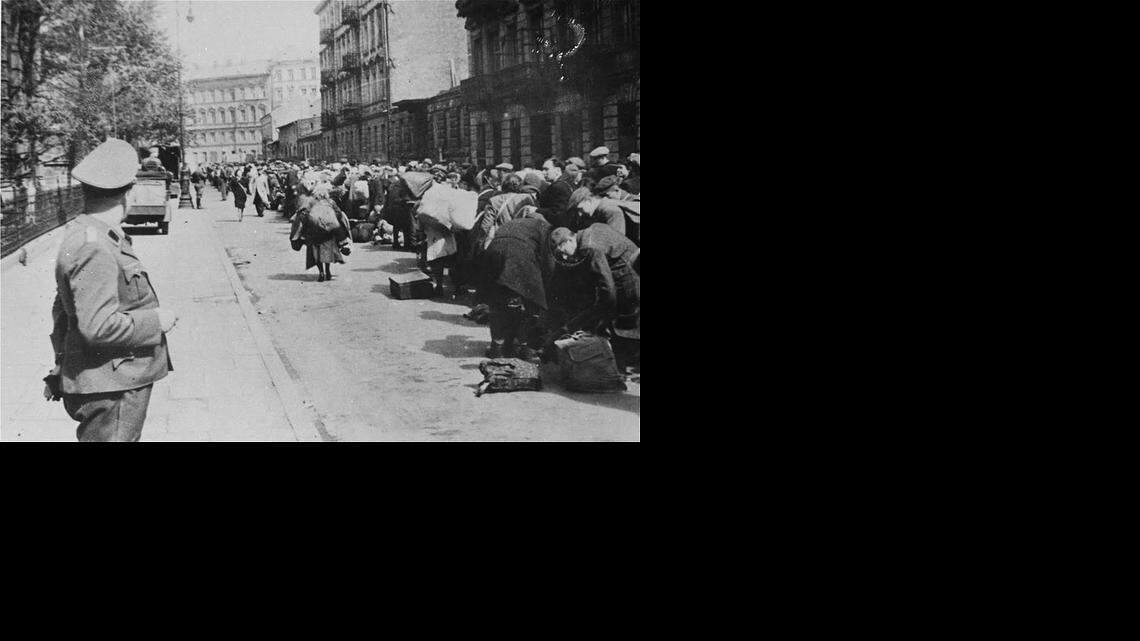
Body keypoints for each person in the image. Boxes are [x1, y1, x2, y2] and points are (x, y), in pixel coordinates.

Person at [44, 138, 177, 442]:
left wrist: (61, 365)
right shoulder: (96, 247)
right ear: (129, 192)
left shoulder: (88, 234)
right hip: (111, 387)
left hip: (107, 382)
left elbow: (62, 311)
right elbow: (98, 326)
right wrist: (157, 321)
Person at [548, 223, 639, 367]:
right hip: (632, 270)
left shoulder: (589, 247)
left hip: (629, 279)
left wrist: (596, 319)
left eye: (562, 252)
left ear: (570, 241)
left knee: (626, 326)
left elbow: (608, 291)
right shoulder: (591, 231)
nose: (564, 257)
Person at [480, 217, 555, 359]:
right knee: (532, 303)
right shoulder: (545, 227)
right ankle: (526, 348)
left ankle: (497, 347)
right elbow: (548, 260)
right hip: (518, 256)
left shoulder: (514, 222)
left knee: (497, 304)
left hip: (493, 253)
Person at [290, 182, 351, 282]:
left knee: (316, 253)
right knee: (327, 251)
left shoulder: (310, 202)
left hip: (314, 232)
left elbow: (303, 215)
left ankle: (321, 273)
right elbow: (339, 214)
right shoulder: (330, 202)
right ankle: (328, 271)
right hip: (328, 232)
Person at [537, 157, 576, 229]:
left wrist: (536, 210)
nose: (543, 172)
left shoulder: (558, 187)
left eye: (546, 169)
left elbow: (558, 214)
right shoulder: (568, 183)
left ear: (557, 170)